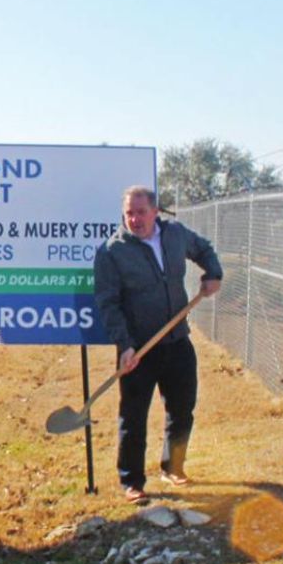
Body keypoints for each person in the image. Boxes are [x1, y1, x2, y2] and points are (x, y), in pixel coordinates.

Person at [93, 185, 222, 504]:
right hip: (138, 349)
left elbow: (204, 249)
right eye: (129, 213)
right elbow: (108, 303)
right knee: (133, 416)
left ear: (155, 211)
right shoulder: (111, 251)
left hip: (177, 340)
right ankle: (132, 481)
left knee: (182, 408)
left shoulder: (176, 234)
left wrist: (213, 273)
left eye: (140, 212)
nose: (134, 219)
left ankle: (173, 466)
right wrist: (124, 345)